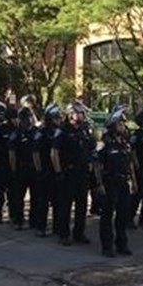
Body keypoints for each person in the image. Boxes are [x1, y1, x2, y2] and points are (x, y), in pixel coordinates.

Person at [95, 107, 137, 258]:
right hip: (109, 182)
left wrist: (133, 181)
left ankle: (122, 244)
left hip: (123, 182)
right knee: (107, 215)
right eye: (120, 123)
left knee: (123, 214)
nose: (123, 126)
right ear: (113, 125)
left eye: (123, 124)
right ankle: (107, 246)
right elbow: (97, 165)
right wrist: (99, 184)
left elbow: (130, 163)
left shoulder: (125, 143)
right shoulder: (104, 143)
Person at [51, 101, 94, 245]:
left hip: (82, 173)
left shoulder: (84, 130)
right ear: (70, 114)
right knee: (66, 205)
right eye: (79, 113)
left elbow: (91, 149)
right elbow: (54, 153)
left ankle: (79, 233)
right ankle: (64, 234)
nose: (81, 115)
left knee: (82, 205)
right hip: (68, 172)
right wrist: (58, 172)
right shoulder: (62, 130)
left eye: (82, 113)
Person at [31, 103, 61, 237]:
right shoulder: (41, 132)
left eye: (59, 117)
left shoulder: (60, 132)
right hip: (45, 170)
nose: (59, 120)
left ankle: (56, 227)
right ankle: (40, 227)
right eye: (56, 118)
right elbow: (36, 153)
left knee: (58, 201)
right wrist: (38, 170)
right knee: (43, 201)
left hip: (57, 171)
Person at [8, 106, 36, 230]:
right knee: (19, 197)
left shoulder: (36, 132)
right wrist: (13, 169)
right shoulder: (16, 133)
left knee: (35, 196)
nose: (28, 120)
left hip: (34, 168)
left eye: (29, 117)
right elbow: (12, 153)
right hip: (21, 168)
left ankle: (33, 220)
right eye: (25, 118)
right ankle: (18, 220)